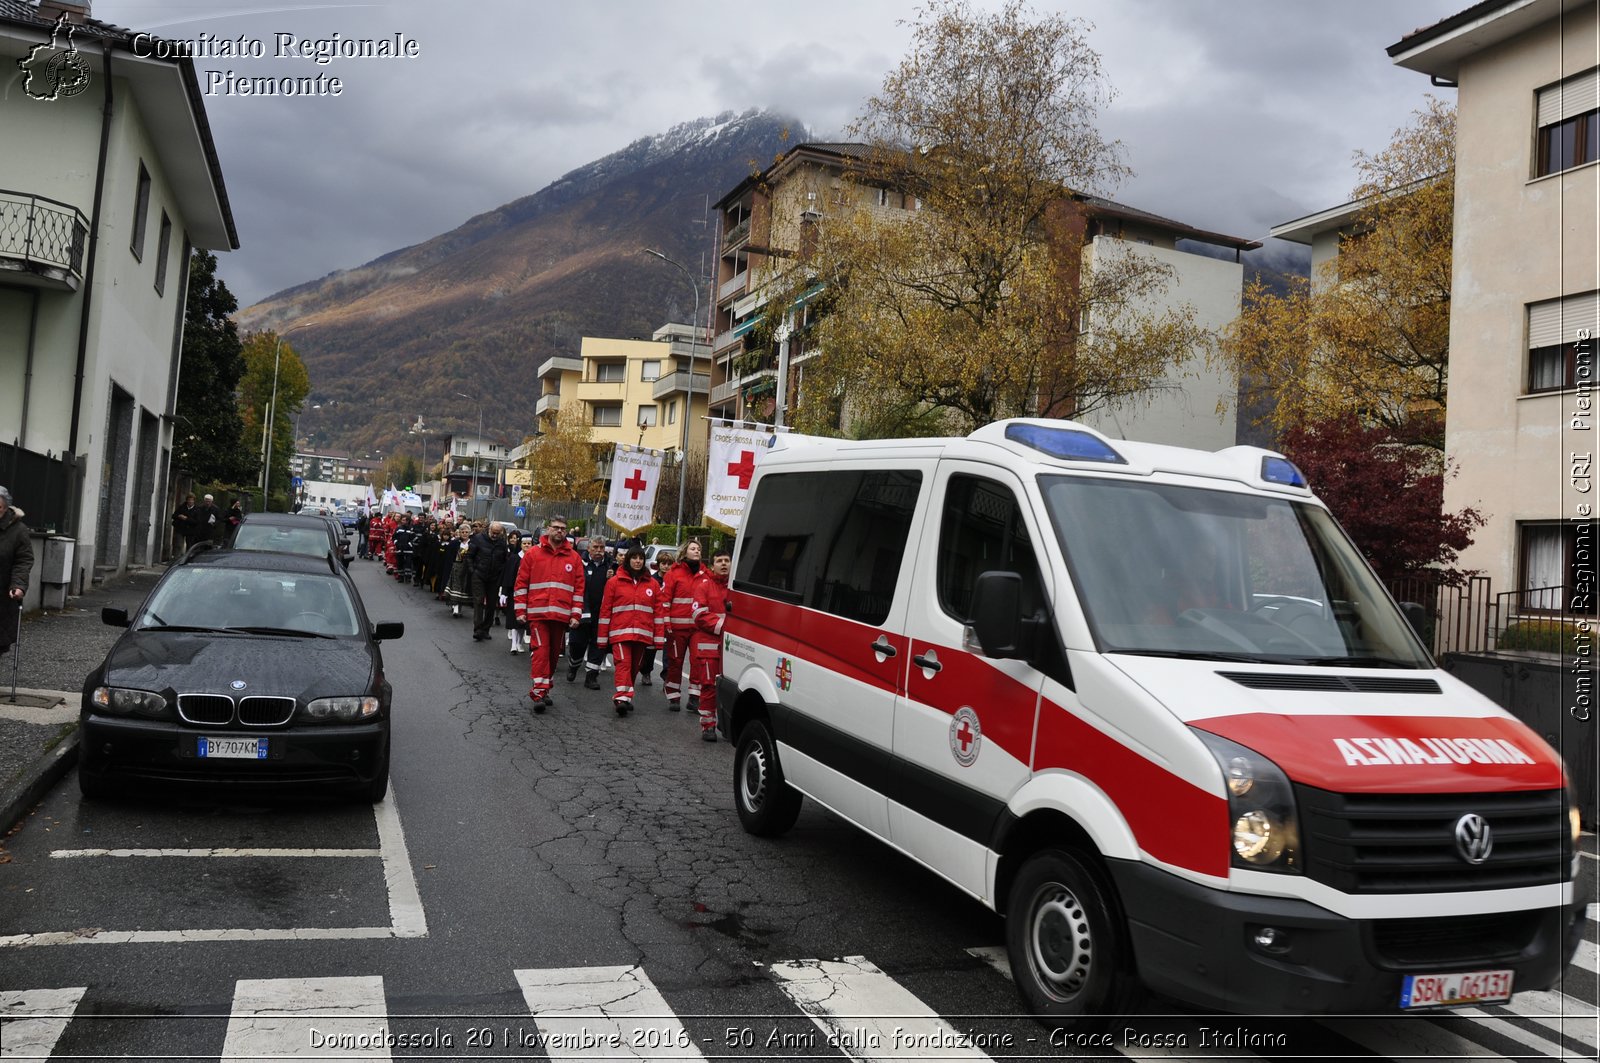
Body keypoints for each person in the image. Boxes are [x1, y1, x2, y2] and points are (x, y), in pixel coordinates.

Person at [513, 515, 584, 714]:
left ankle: (545, 688)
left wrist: (575, 614)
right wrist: (520, 610)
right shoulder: (533, 554)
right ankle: (538, 692)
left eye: (562, 528)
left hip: (560, 617)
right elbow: (521, 584)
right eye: (555, 527)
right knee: (541, 652)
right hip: (538, 614)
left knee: (553, 656)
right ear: (548, 529)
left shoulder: (574, 558)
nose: (559, 531)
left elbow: (578, 589)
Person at [596, 546, 664, 716]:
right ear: (627, 560)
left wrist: (659, 638)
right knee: (624, 664)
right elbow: (605, 612)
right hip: (620, 633)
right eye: (634, 558)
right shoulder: (614, 582)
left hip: (643, 634)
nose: (637, 561)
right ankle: (621, 698)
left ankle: (626, 696)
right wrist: (602, 638)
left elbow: (658, 613)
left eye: (640, 558)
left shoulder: (653, 585)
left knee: (634, 667)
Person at [688, 546, 732, 741]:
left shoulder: (734, 588)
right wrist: (724, 627)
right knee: (709, 685)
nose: (723, 564)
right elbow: (699, 615)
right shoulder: (703, 586)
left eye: (726, 561)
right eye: (719, 561)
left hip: (732, 648)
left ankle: (724, 721)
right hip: (709, 645)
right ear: (712, 565)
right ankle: (708, 725)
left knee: (730, 687)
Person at [660, 541, 704, 711]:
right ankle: (673, 696)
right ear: (685, 553)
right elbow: (665, 600)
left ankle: (694, 697)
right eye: (693, 548)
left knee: (697, 662)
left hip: (698, 628)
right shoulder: (674, 573)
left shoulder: (704, 573)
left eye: (699, 549)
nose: (697, 551)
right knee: (675, 662)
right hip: (677, 628)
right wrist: (666, 622)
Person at [567, 538, 613, 687]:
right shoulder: (580, 564)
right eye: (596, 547)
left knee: (598, 645)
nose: (599, 550)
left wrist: (613, 577)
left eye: (602, 547)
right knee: (577, 643)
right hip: (582, 612)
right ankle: (573, 665)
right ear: (588, 549)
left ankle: (591, 677)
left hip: (601, 613)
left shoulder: (611, 566)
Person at [0, 486, 33, 661]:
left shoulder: (18, 531)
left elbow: (23, 561)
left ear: (6, 509)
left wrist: (18, 585)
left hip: (2, 596)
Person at [467, 522, 509, 641]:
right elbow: (469, 556)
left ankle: (486, 629)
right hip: (479, 575)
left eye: (497, 533)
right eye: (493, 533)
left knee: (491, 604)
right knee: (478, 601)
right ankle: (478, 629)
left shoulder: (501, 543)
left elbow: (505, 559)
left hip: (494, 578)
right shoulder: (478, 539)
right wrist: (472, 571)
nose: (495, 535)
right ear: (489, 530)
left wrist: (501, 574)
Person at [500, 531, 526, 653]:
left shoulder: (534, 559)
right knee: (514, 619)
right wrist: (504, 592)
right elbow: (508, 575)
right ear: (521, 544)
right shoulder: (514, 558)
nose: (527, 546)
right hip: (514, 593)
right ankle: (514, 644)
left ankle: (520, 643)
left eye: (529, 544)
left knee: (523, 622)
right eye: (525, 543)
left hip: (528, 594)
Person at [443, 523, 473, 617]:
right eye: (462, 532)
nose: (464, 534)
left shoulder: (472, 543)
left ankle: (459, 607)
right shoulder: (455, 543)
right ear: (459, 533)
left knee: (463, 588)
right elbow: (449, 556)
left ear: (470, 533)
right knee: (456, 586)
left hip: (467, 569)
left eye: (466, 532)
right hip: (457, 567)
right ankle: (455, 608)